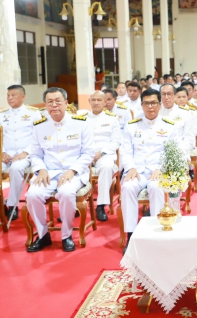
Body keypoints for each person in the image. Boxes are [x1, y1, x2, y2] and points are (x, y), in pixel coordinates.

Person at [25, 87, 94, 252]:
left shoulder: (81, 123)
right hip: (49, 173)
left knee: (66, 192)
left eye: (58, 101)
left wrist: (72, 171)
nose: (54, 105)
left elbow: (88, 153)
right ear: (46, 105)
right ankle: (43, 235)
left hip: (74, 173)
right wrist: (41, 170)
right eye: (50, 102)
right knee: (32, 195)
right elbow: (34, 154)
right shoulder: (39, 126)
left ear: (66, 103)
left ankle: (66, 235)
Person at [120, 88, 181, 254]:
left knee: (156, 187)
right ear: (141, 105)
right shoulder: (131, 126)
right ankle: (131, 235)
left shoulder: (169, 126)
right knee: (128, 187)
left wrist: (161, 169)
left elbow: (173, 152)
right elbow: (125, 151)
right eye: (146, 103)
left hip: (157, 171)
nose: (150, 106)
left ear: (160, 104)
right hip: (137, 171)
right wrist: (130, 167)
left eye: (154, 102)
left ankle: (156, 233)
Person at [1, 85, 42, 221]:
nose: (10, 98)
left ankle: (12, 205)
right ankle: (2, 204)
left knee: (16, 168)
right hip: (6, 154)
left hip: (26, 154)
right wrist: (2, 152)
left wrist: (26, 152)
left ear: (23, 97)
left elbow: (39, 136)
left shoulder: (33, 113)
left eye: (13, 95)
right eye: (8, 95)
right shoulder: (2, 114)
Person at [87, 91, 121, 222]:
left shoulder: (112, 119)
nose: (96, 102)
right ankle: (72, 207)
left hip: (104, 155)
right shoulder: (82, 119)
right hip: (86, 154)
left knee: (106, 167)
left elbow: (116, 141)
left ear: (104, 102)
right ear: (89, 102)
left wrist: (101, 153)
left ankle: (100, 206)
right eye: (93, 100)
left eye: (99, 100)